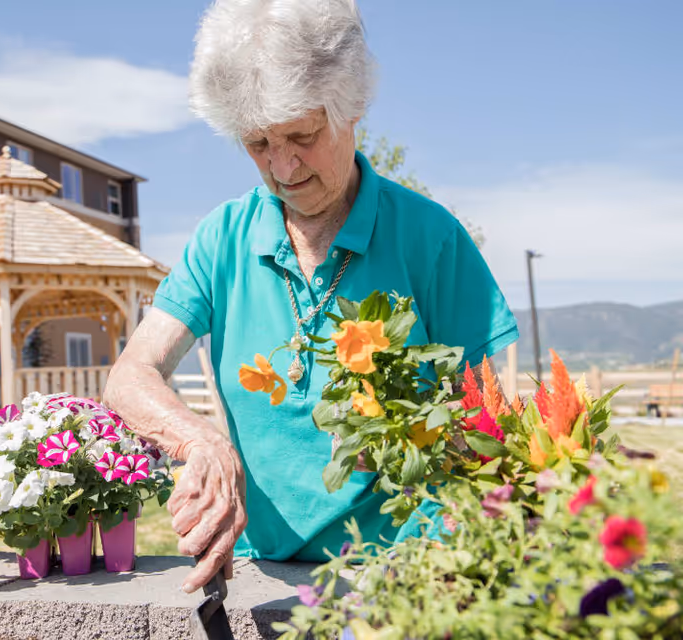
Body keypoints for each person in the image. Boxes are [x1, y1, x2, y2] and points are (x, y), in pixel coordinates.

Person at [102, 0, 518, 594]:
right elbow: (131, 374)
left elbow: (486, 415)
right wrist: (200, 441)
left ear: (351, 110)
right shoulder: (222, 237)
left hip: (405, 572)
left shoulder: (431, 237)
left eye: (302, 134)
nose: (283, 165)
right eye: (257, 143)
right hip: (262, 571)